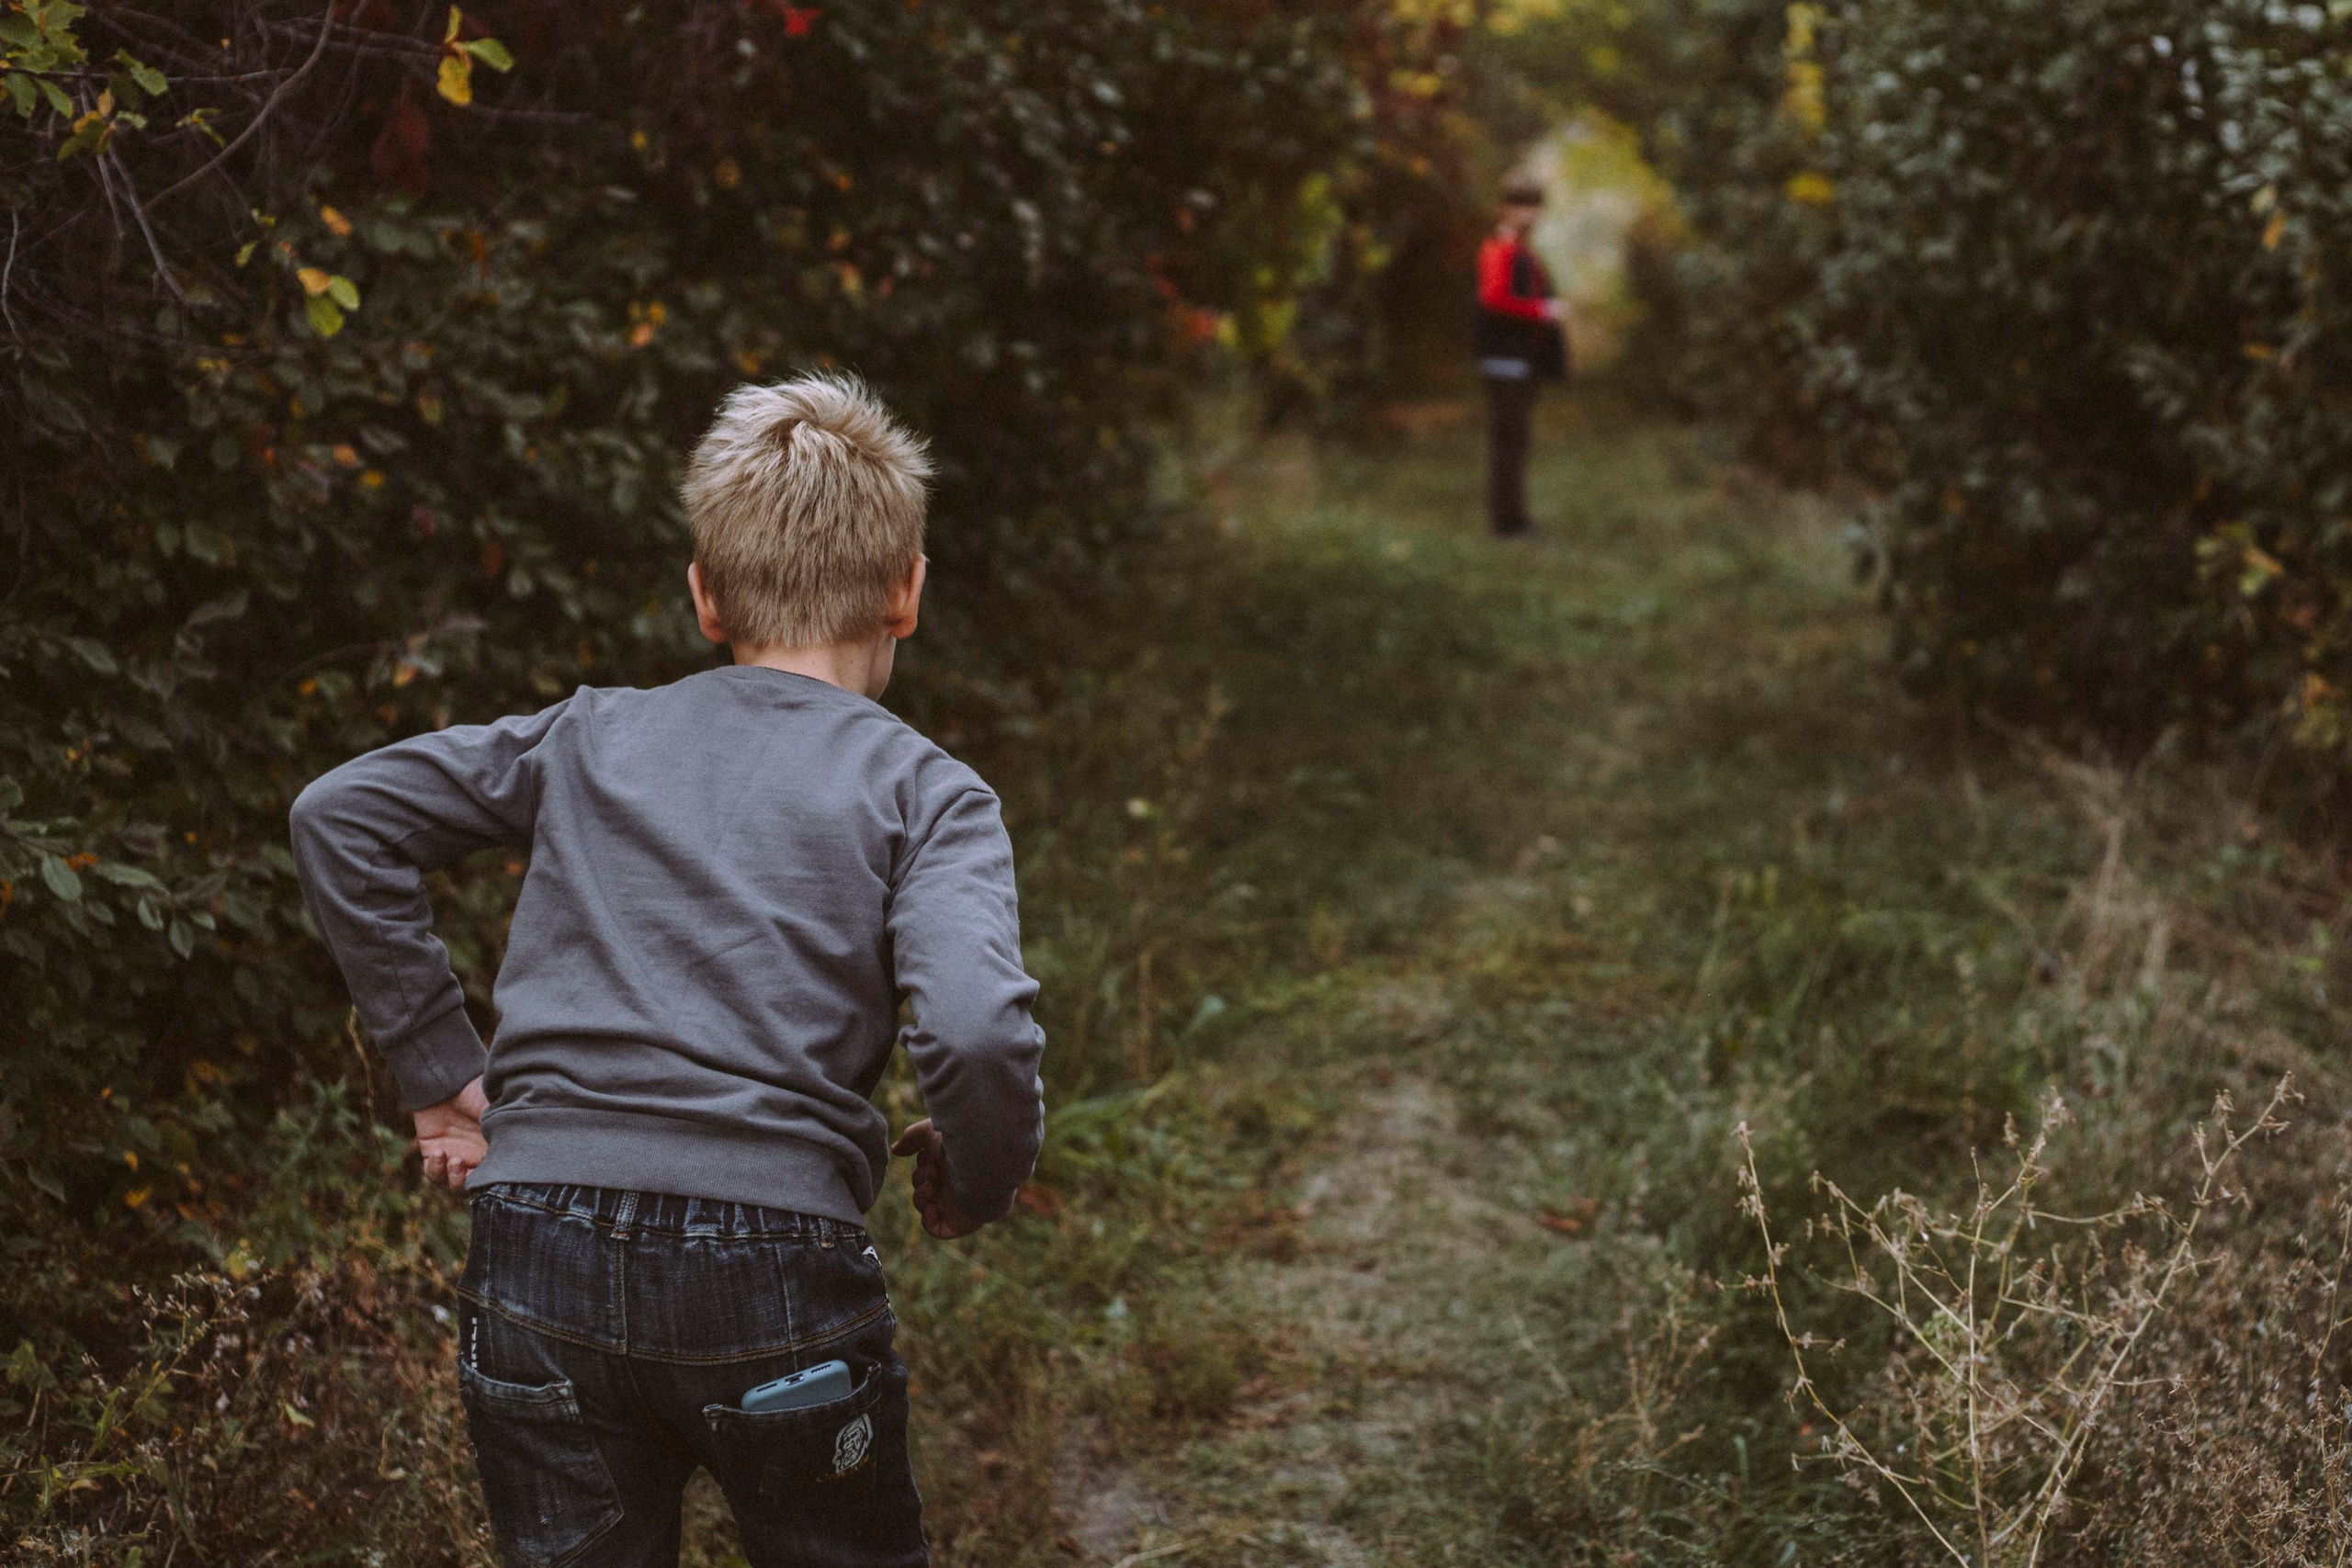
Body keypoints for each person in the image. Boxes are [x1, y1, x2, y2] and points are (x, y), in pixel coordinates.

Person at [288, 372, 1046, 1568]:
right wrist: (982, 1169)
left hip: (533, 1252)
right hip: (777, 1271)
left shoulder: (590, 735)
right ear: (907, 591)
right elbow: (980, 1032)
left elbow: (344, 814)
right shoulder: (926, 790)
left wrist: (440, 1066)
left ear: (704, 595)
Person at [1475, 177, 1571, 538]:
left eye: (1534, 206)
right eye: (1521, 206)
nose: (1529, 214)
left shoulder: (1523, 250)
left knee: (1516, 441)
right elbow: (1494, 299)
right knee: (1509, 442)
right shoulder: (1500, 248)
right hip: (1504, 360)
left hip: (1521, 360)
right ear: (1505, 208)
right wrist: (1543, 311)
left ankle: (1515, 518)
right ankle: (1507, 524)